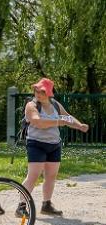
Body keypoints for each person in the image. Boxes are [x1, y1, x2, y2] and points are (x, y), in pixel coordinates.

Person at [18, 77, 89, 217]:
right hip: (36, 144)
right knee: (33, 176)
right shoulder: (31, 106)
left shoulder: (55, 105)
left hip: (54, 145)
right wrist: (58, 121)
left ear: (49, 93)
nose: (38, 93)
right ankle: (21, 206)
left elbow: (67, 117)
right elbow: (38, 123)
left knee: (51, 176)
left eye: (42, 91)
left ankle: (46, 205)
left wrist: (79, 125)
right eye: (36, 90)